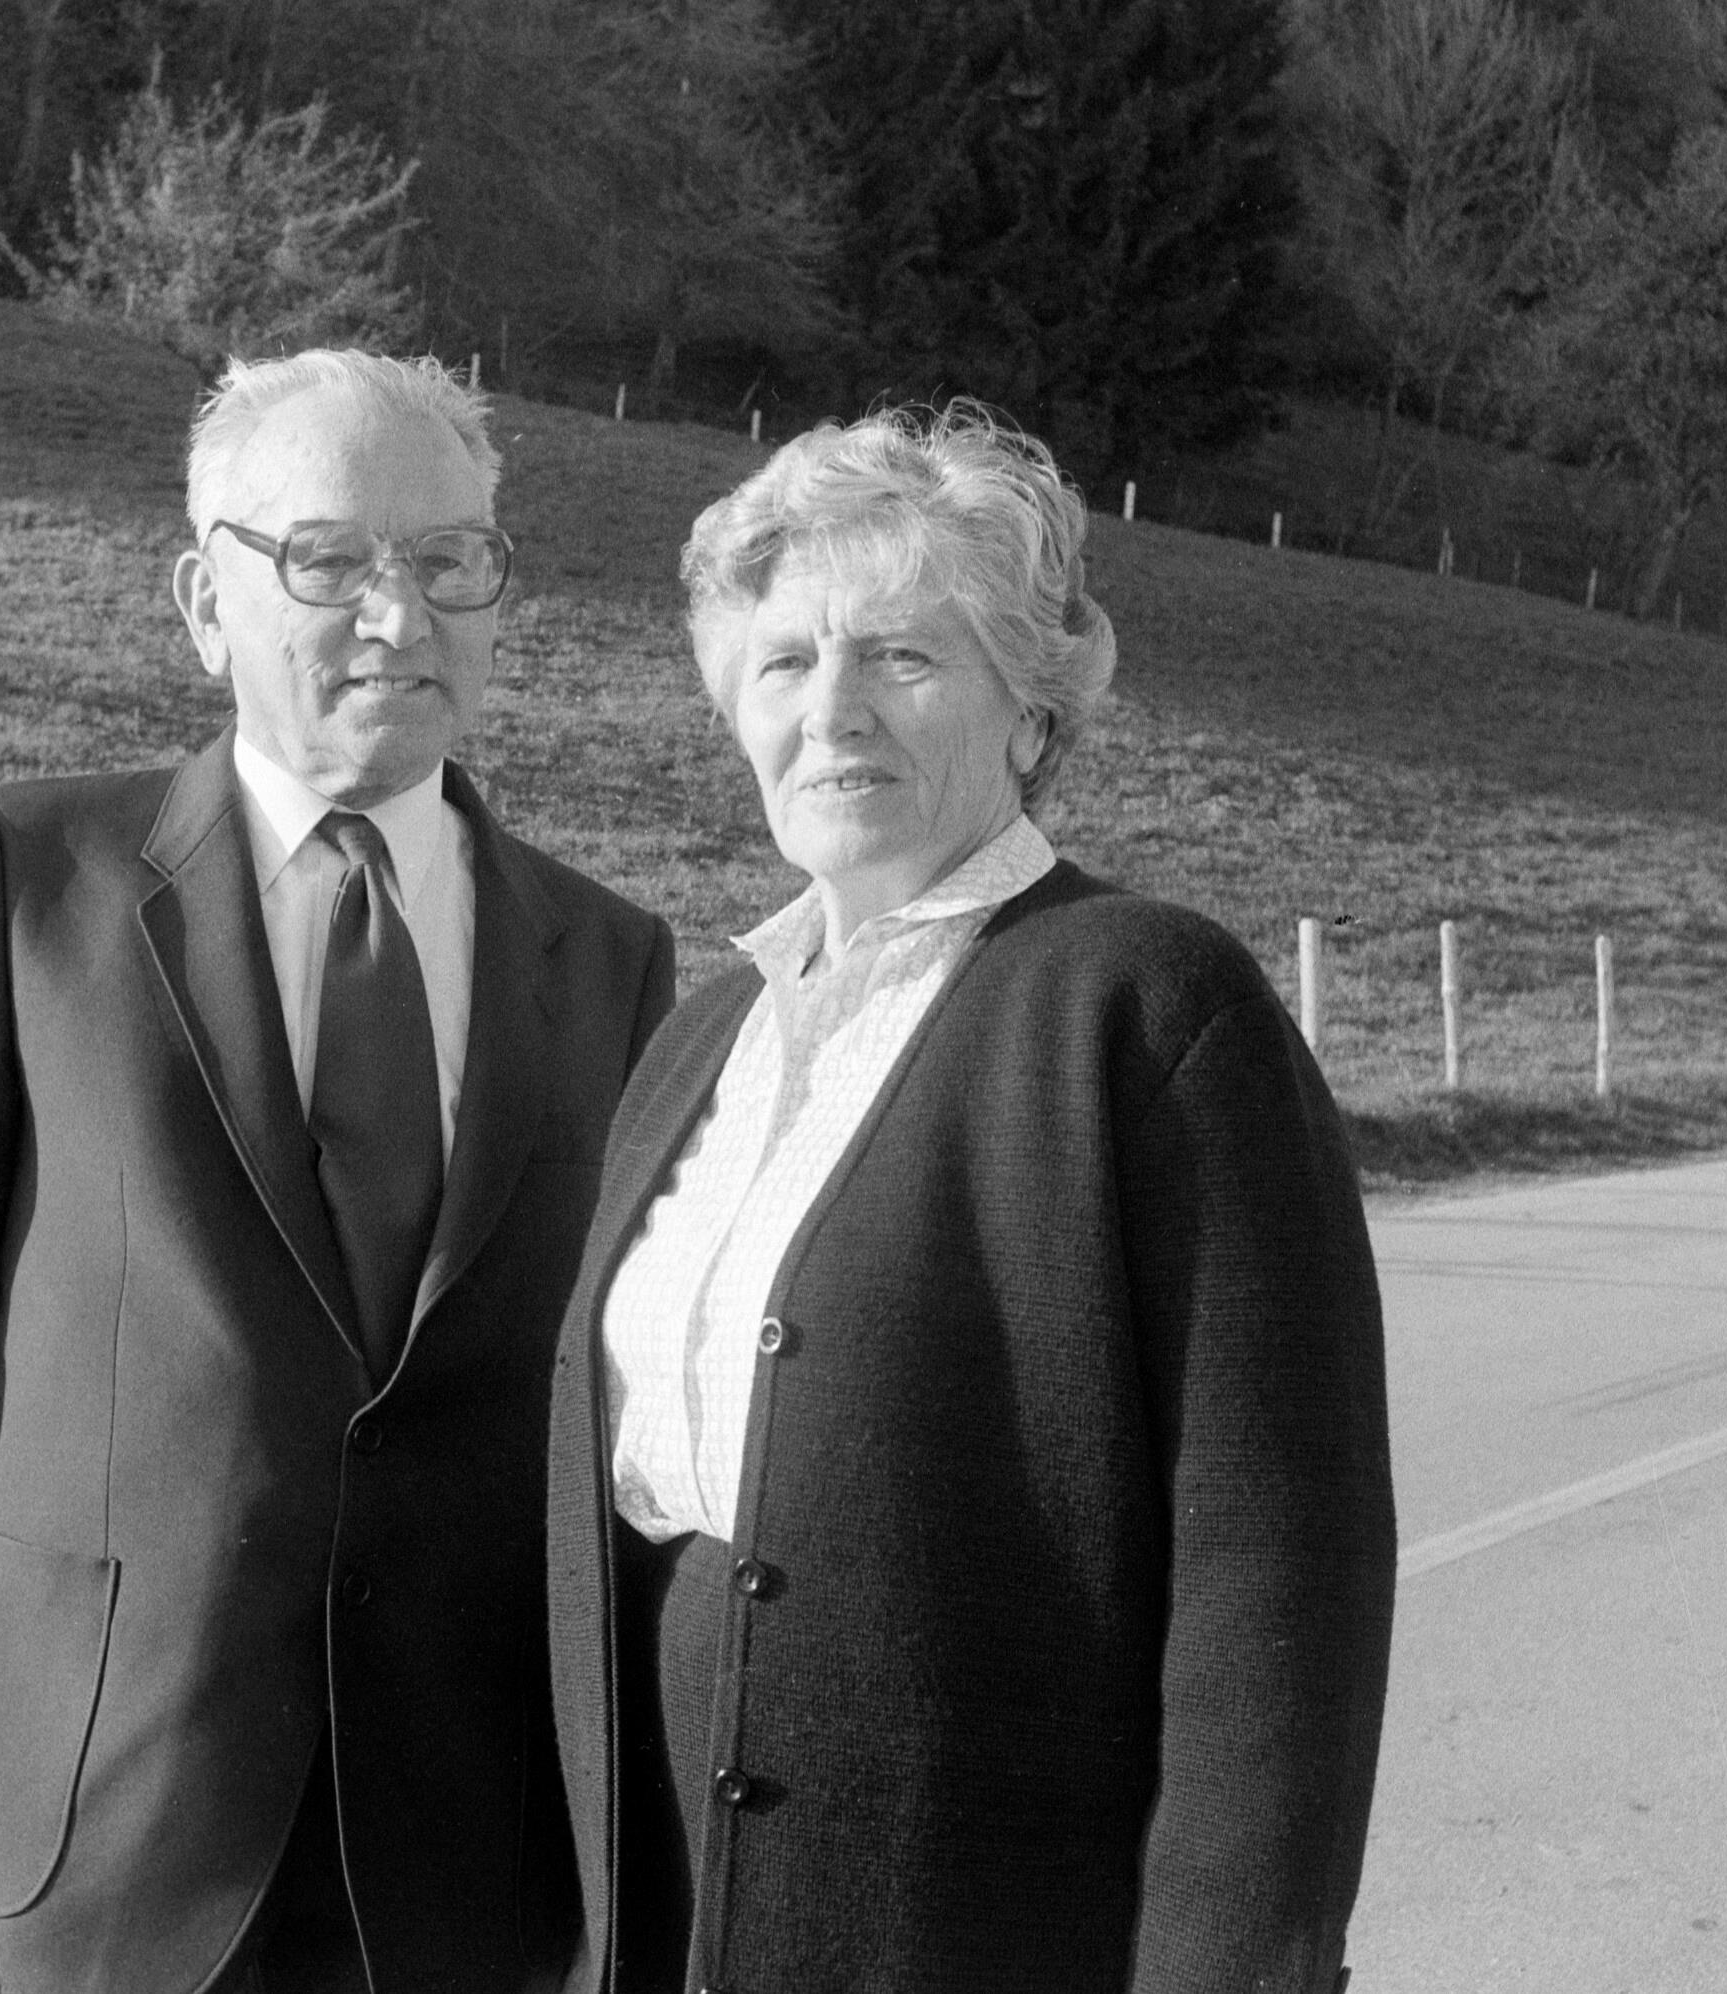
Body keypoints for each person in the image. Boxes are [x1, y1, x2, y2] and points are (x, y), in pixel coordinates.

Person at [0, 348, 678, 1994]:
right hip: (90, 1830)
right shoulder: (34, 880)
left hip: (467, 1863)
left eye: (449, 560)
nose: (400, 615)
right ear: (202, 601)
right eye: (330, 560)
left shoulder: (609, 960)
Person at [543, 405, 1397, 1994]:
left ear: (1032, 709)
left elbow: (1277, 1582)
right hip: (667, 1928)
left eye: (902, 656)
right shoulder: (698, 1040)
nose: (834, 709)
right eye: (785, 662)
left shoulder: (1148, 1009)